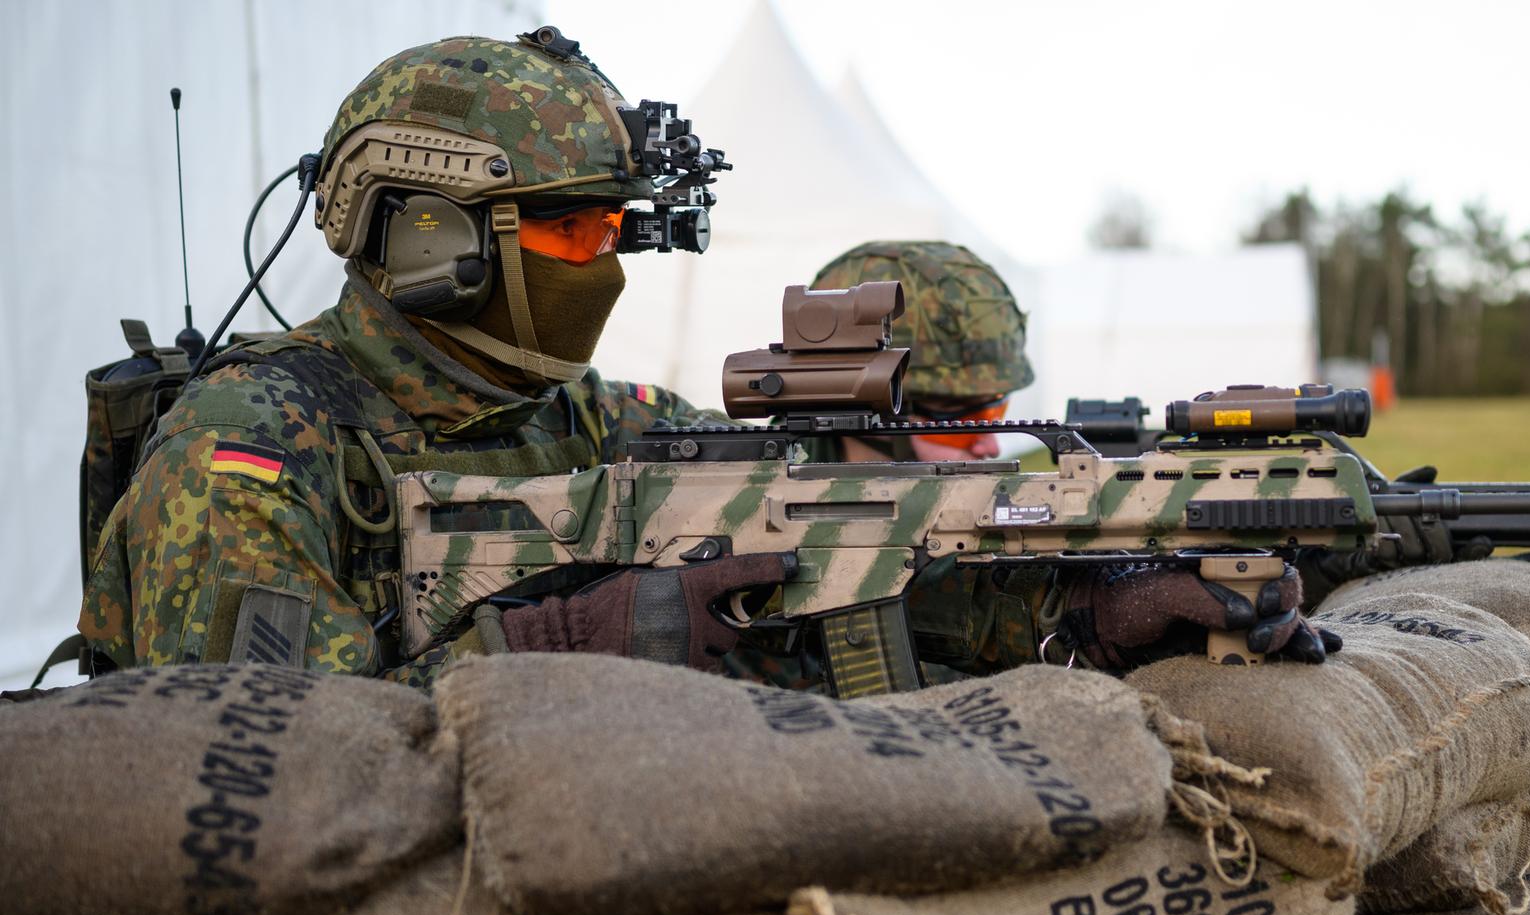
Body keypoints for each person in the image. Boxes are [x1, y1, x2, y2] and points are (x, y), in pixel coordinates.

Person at [76, 28, 776, 685]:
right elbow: (268, 750)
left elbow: (781, 484)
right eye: (570, 231)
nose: (603, 269)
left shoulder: (582, 417)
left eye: (611, 233)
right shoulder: (242, 450)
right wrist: (546, 648)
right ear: (431, 240)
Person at [720, 241, 1341, 690]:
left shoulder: (977, 511)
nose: (990, 444)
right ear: (865, 412)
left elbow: (981, 599)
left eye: (1000, 412)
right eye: (964, 421)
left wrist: (1097, 616)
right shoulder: (726, 494)